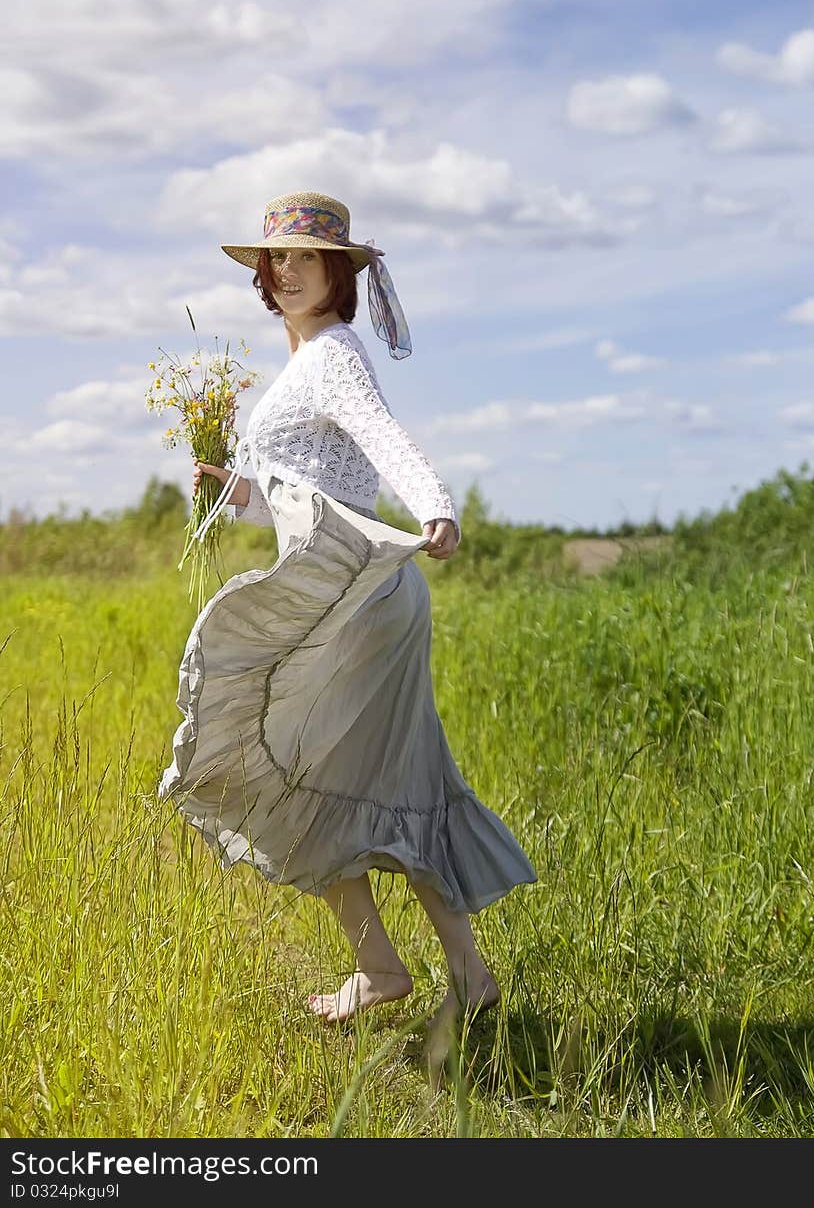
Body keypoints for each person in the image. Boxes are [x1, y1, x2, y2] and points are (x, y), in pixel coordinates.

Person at [158, 190, 537, 1026]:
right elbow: (320, 489)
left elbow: (381, 438)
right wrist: (238, 493)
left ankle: (384, 972)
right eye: (276, 258)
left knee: (292, 773)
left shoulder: (332, 354)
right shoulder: (301, 364)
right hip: (352, 592)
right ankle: (460, 978)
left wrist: (434, 501)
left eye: (305, 257)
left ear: (341, 271)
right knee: (383, 784)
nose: (286, 271)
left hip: (355, 598)